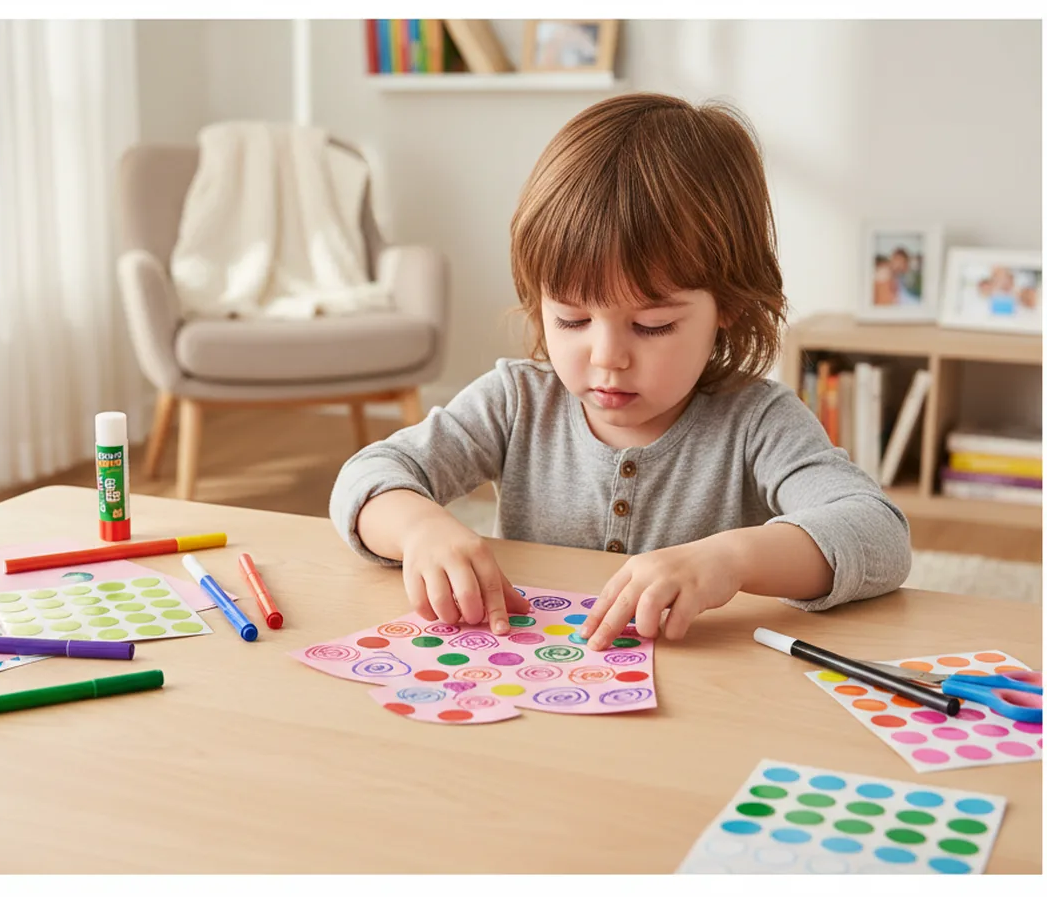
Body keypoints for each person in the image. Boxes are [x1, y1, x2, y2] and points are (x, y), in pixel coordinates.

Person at [329, 93, 912, 649]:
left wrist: (731, 559)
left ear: (728, 305)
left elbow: (878, 534)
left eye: (653, 325)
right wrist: (420, 529)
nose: (607, 357)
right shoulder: (516, 402)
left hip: (705, 698)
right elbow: (369, 477)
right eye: (571, 319)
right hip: (536, 684)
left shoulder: (758, 422)